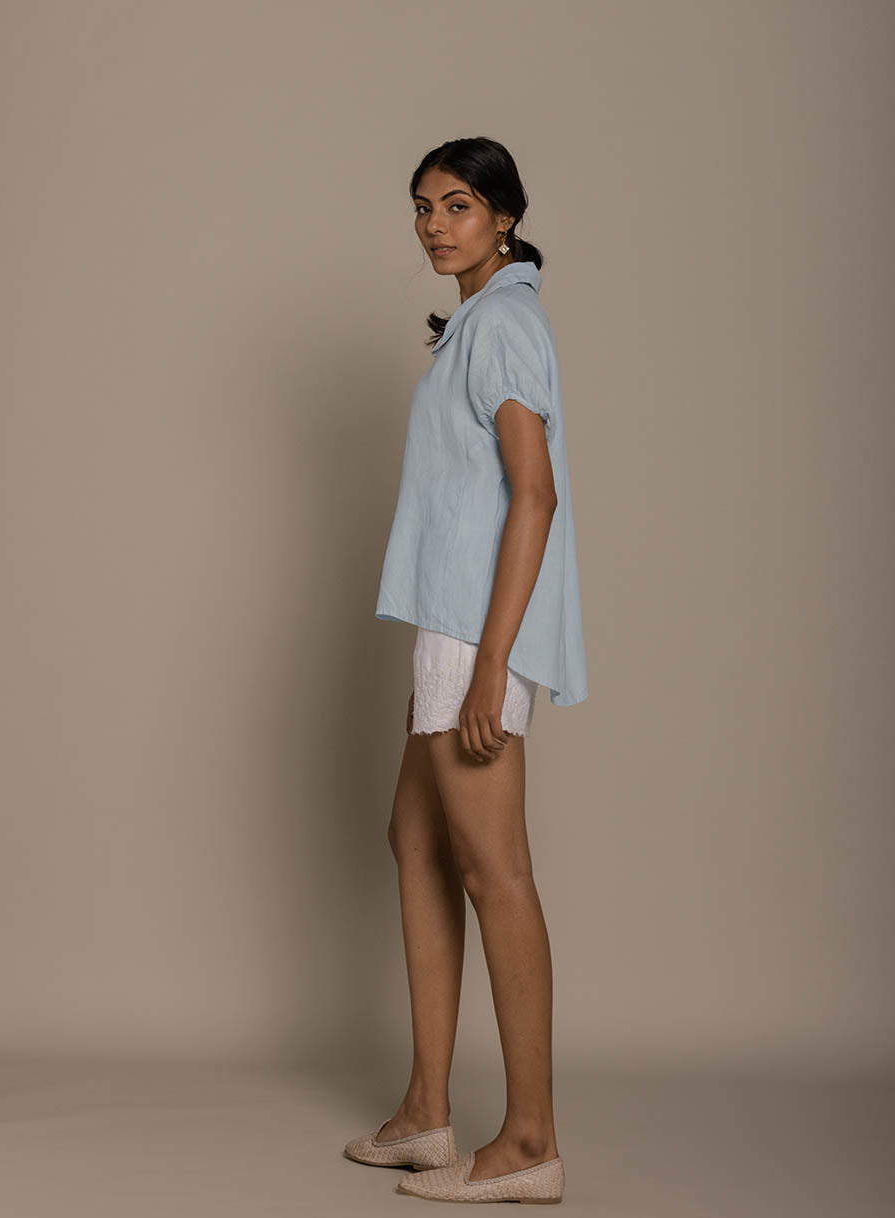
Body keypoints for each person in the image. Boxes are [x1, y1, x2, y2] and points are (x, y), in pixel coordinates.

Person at [343, 137, 587, 1206]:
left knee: (497, 873)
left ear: (503, 217)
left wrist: (489, 665)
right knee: (414, 841)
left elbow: (533, 495)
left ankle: (529, 1139)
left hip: (477, 634)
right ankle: (425, 1112)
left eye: (457, 205)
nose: (434, 225)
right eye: (422, 207)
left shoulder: (506, 324)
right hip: (447, 630)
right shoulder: (478, 322)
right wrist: (443, 660)